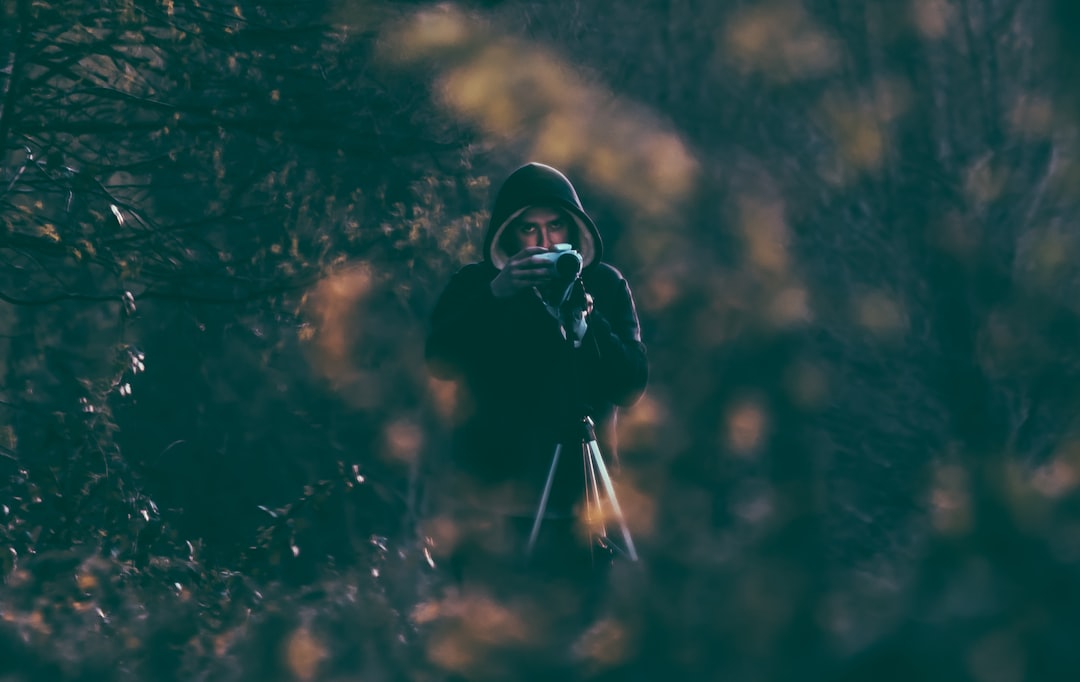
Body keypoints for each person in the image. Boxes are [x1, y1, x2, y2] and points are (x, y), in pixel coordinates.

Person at [422, 161, 648, 679]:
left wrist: (585, 324)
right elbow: (440, 359)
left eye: (556, 227)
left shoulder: (605, 286)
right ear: (508, 232)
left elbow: (631, 385)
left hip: (587, 496)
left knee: (594, 639)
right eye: (529, 228)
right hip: (499, 494)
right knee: (499, 641)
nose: (544, 241)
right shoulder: (478, 284)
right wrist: (497, 295)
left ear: (575, 232)